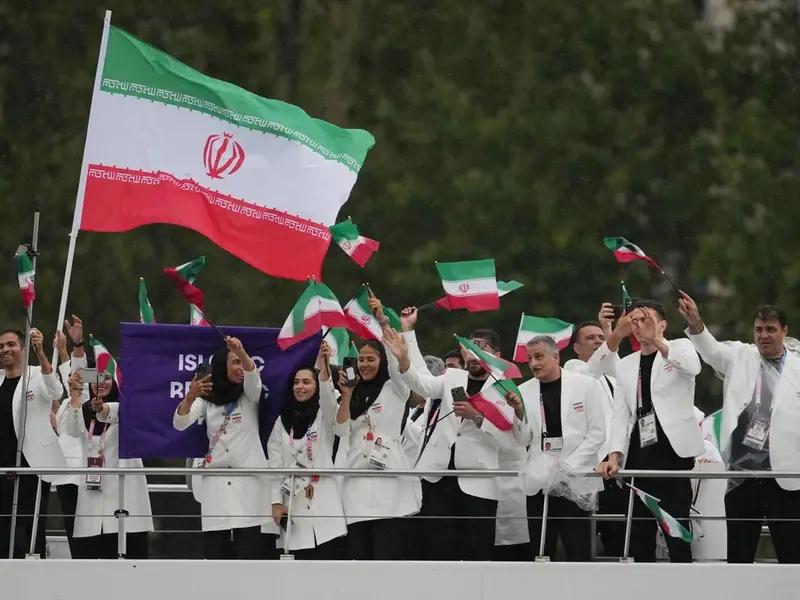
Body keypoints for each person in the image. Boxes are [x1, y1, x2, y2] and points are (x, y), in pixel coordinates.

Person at [679, 294, 800, 563]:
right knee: (739, 554)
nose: (764, 336)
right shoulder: (740, 356)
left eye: (771, 329)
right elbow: (710, 350)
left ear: (784, 331)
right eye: (759, 329)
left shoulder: (798, 365)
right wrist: (696, 323)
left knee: (792, 556)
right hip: (743, 474)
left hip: (788, 475)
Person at [384, 321, 518, 561]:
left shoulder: (504, 390)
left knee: (475, 549)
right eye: (470, 347)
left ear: (497, 355)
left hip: (478, 483)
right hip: (438, 477)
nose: (473, 353)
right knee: (437, 547)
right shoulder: (453, 376)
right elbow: (420, 384)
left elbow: (509, 441)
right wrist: (403, 360)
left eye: (481, 348)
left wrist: (477, 417)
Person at [597, 301, 704, 563]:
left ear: (663, 324)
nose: (638, 325)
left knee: (677, 534)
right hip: (638, 455)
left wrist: (657, 340)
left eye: (645, 319)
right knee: (639, 538)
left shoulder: (679, 347)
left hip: (672, 455)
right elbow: (622, 413)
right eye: (634, 320)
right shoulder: (626, 364)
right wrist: (615, 454)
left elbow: (694, 367)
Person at [333, 297, 422, 560]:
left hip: (390, 485)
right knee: (358, 556)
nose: (364, 364)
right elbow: (340, 431)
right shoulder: (353, 391)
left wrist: (382, 318)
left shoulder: (395, 387)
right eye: (360, 360)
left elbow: (397, 360)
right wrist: (347, 394)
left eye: (371, 359)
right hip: (356, 485)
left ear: (381, 361)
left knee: (387, 554)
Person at [174, 336, 276, 559]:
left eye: (241, 362)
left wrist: (241, 351)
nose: (240, 367)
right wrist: (190, 397)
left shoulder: (249, 396)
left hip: (249, 483)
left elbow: (254, 382)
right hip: (216, 483)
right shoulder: (207, 399)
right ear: (221, 366)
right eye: (234, 362)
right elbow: (180, 424)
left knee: (249, 551)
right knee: (215, 551)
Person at [512, 336, 605, 561]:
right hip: (539, 479)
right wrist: (518, 414)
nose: (534, 364)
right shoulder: (524, 390)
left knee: (578, 548)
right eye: (530, 359)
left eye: (539, 357)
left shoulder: (585, 385)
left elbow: (597, 433)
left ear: (556, 356)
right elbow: (523, 440)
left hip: (574, 477)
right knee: (540, 549)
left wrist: (567, 467)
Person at [58, 367, 154, 558]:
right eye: (96, 378)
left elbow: (110, 412)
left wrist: (100, 408)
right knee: (91, 561)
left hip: (125, 495)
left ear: (117, 380)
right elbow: (72, 430)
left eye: (107, 377)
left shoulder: (129, 405)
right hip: (93, 494)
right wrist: (76, 397)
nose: (101, 382)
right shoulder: (84, 408)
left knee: (130, 561)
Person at [267, 346, 347, 559]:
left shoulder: (324, 415)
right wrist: (276, 502)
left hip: (324, 511)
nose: (300, 387)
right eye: (296, 382)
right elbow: (274, 467)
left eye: (306, 382)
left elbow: (330, 400)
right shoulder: (281, 421)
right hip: (293, 508)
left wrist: (324, 368)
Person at [563, 305, 626, 557]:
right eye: (591, 338)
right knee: (582, 540)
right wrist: (615, 335)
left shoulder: (611, 378)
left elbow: (619, 370)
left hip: (614, 467)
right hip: (589, 466)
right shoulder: (573, 368)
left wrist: (610, 331)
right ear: (577, 348)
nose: (598, 342)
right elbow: (592, 370)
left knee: (619, 538)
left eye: (601, 339)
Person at [0, 327, 65, 558]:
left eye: (10, 345)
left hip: (32, 468)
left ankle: (32, 578)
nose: (5, 350)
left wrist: (41, 352)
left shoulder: (37, 374)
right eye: (1, 346)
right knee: (3, 531)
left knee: (30, 530)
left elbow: (55, 390)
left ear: (23, 349)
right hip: (3, 469)